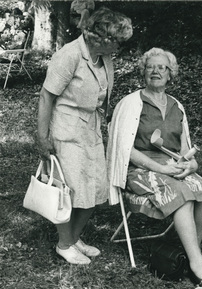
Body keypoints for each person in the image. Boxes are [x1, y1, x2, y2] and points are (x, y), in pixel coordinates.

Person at [107, 48, 202, 288]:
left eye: (161, 67)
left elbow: (185, 149)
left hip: (171, 165)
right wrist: (160, 168)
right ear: (143, 72)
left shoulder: (177, 105)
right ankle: (198, 267)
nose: (156, 71)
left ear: (170, 74)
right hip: (139, 168)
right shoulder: (131, 104)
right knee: (180, 193)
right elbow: (124, 150)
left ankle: (189, 252)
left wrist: (191, 164)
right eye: (150, 67)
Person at [36, 7, 132, 265]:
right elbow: (47, 96)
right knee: (68, 191)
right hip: (66, 130)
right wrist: (42, 137)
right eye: (117, 41)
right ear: (102, 37)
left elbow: (101, 94)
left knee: (93, 190)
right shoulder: (69, 55)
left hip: (90, 128)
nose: (119, 46)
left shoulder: (104, 57)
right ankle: (64, 244)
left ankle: (74, 237)